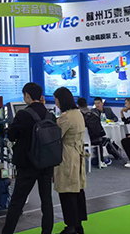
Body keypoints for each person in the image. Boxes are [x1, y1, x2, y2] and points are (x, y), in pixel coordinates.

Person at [2, 83, 55, 234]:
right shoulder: (50, 115)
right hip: (46, 163)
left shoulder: (23, 115)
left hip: (27, 164)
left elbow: (12, 136)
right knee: (47, 201)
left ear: (27, 95)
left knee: (17, 201)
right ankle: (47, 231)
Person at [54, 87, 87, 234]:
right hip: (78, 154)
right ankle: (78, 225)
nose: (56, 103)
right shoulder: (78, 113)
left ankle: (71, 227)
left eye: (56, 100)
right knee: (77, 190)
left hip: (67, 156)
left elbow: (56, 136)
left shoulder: (65, 117)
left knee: (67, 192)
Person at [78, 98, 110, 168]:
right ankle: (101, 160)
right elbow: (99, 131)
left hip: (79, 140)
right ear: (87, 104)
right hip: (94, 140)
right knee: (101, 140)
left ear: (78, 106)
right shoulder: (94, 115)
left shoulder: (77, 117)